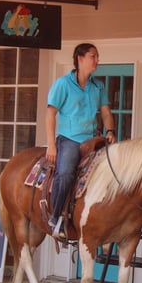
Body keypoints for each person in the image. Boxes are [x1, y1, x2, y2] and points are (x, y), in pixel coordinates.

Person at [45, 43, 116, 237]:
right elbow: (50, 114)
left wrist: (110, 130)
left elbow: (106, 112)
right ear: (80, 59)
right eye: (93, 56)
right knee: (66, 173)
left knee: (113, 170)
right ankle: (56, 217)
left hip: (93, 140)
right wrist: (51, 145)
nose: (97, 60)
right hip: (69, 139)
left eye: (97, 56)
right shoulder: (63, 84)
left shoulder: (98, 85)